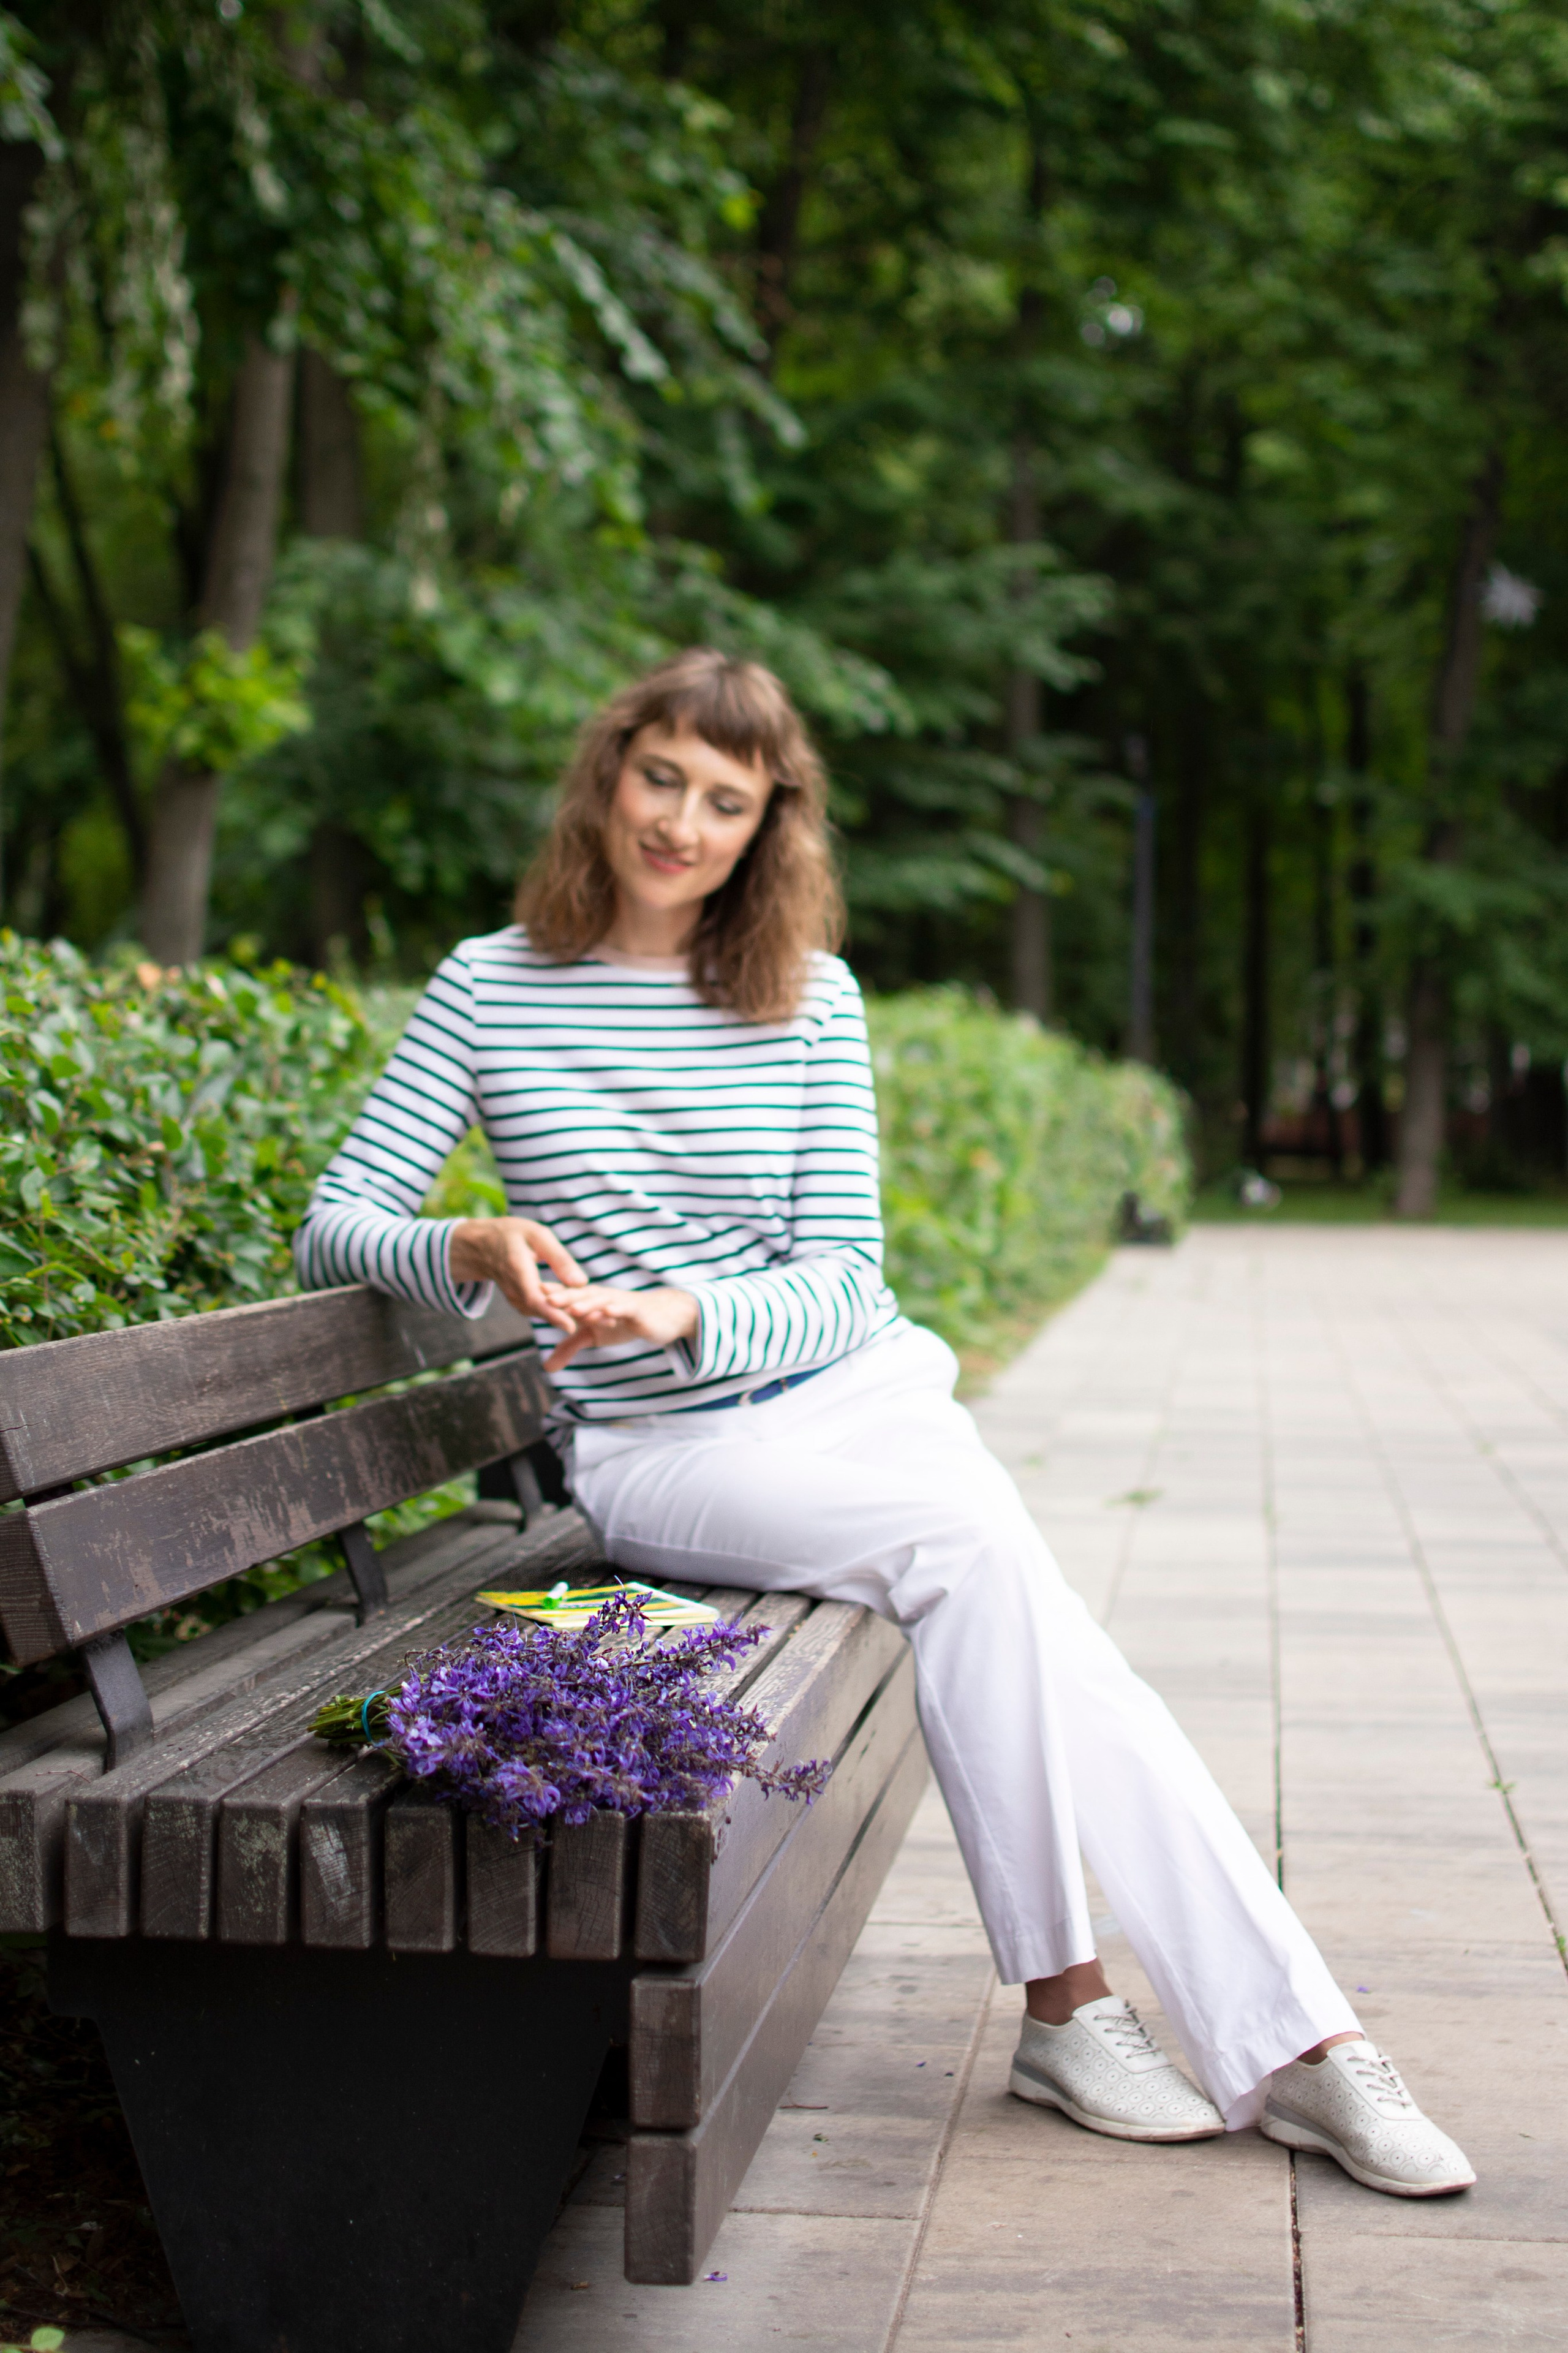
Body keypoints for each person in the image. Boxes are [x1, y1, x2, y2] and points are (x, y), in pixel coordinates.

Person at [296, 647, 1473, 2197]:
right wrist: (467, 1246)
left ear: (767, 821)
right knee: (971, 1546)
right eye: (661, 779)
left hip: (848, 1393)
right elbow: (334, 1223)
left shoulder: (804, 995)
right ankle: (1107, 2014)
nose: (682, 825)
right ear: (609, 773)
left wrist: (688, 1307)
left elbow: (848, 1278)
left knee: (1044, 1627)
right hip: (669, 1454)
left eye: (727, 801)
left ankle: (1289, 2045)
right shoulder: (489, 983)